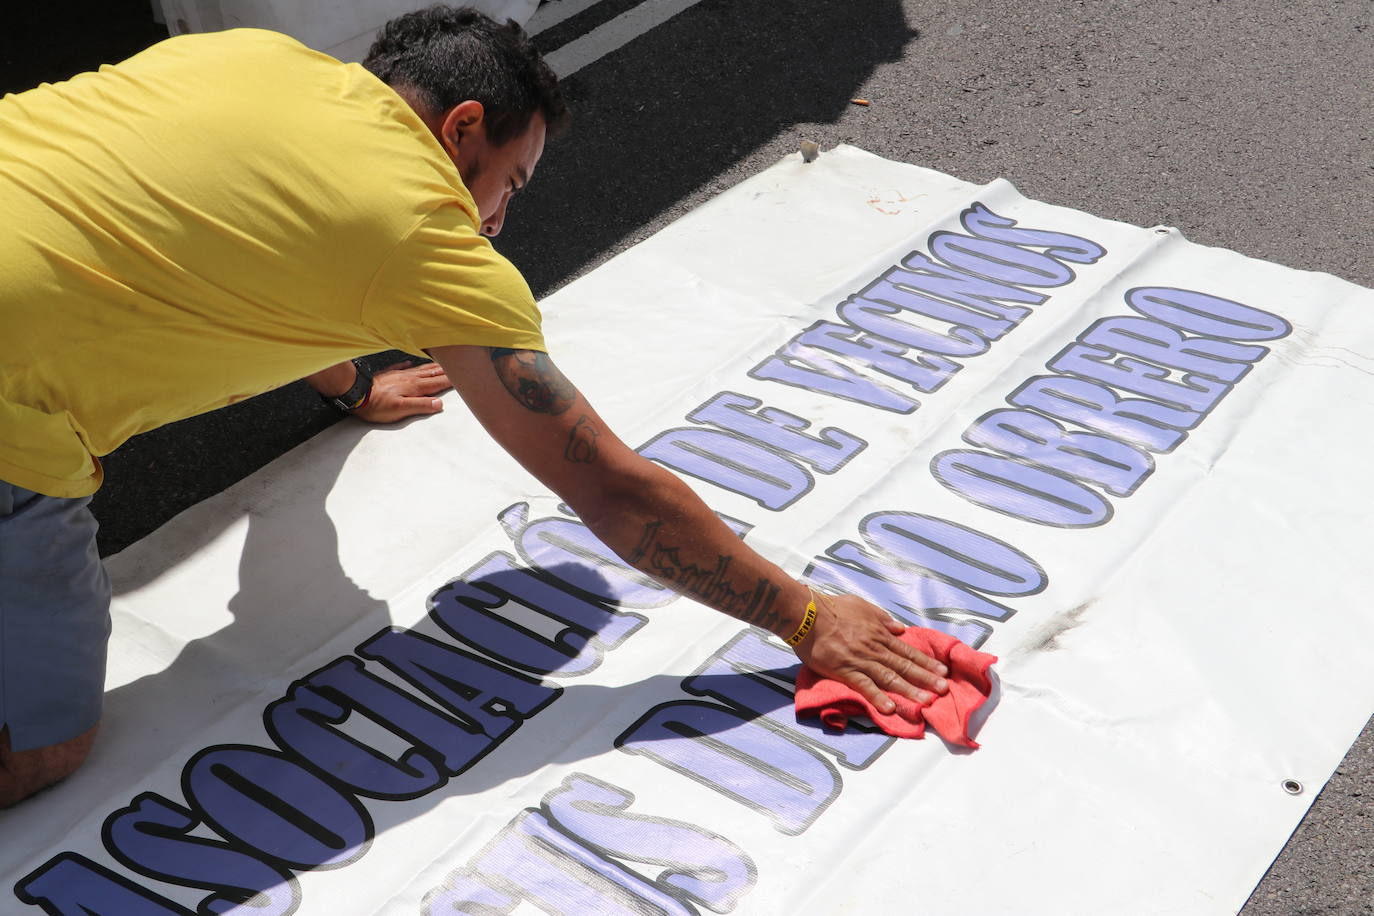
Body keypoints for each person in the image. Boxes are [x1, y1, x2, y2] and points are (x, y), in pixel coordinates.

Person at [0, 5, 949, 808]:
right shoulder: (433, 244)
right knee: (46, 747)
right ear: (461, 128)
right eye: (511, 183)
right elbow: (614, 487)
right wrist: (806, 619)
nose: (497, 219)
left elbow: (230, 236)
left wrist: (353, 384)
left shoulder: (250, 54)